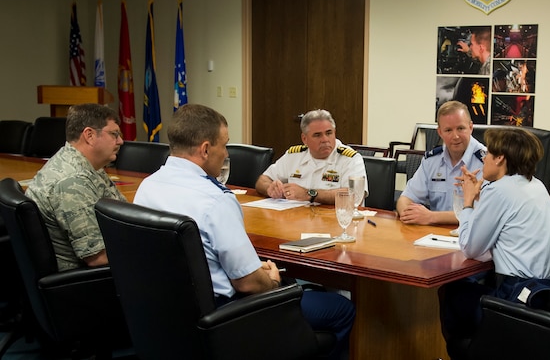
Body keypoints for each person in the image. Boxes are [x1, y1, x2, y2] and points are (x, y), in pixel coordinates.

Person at [133, 104, 355, 359]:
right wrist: (272, 281)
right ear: (206, 149)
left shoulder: (148, 187)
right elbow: (248, 283)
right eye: (224, 145)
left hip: (168, 313)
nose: (226, 153)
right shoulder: (215, 200)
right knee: (341, 309)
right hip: (225, 314)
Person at [438, 127, 550, 358]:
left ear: (500, 159)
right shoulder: (535, 185)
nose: (484, 158)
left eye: (487, 154)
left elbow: (470, 248)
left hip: (517, 299)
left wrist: (468, 202)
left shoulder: (500, 191)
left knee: (452, 292)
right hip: (544, 293)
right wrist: (481, 198)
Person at [25, 103, 125, 272]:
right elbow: (97, 258)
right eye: (114, 134)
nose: (121, 141)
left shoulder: (82, 164)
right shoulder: (72, 181)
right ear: (90, 135)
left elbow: (121, 211)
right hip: (82, 283)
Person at [396, 101, 486, 225]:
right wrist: (408, 214)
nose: (455, 136)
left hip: (473, 235)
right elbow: (405, 198)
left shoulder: (487, 161)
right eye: (448, 130)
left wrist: (431, 217)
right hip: (434, 234)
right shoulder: (432, 160)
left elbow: (484, 213)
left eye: (460, 128)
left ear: (470, 127)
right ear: (440, 132)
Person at [255, 109, 367, 205]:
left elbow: (355, 195)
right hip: (296, 219)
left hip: (334, 220)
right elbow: (262, 180)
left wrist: (309, 194)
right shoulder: (294, 155)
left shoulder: (350, 158)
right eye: (317, 135)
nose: (325, 139)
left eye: (329, 133)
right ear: (304, 139)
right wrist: (270, 188)